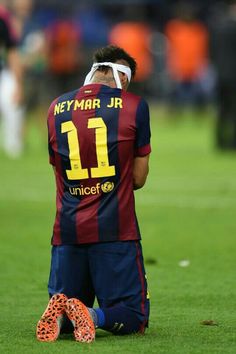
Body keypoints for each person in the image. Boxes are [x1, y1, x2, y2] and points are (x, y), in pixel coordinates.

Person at [36, 45, 151, 343]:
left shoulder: (55, 107)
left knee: (65, 302)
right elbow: (138, 179)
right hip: (115, 231)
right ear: (123, 80)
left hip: (67, 233)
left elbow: (58, 175)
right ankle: (93, 315)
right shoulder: (134, 105)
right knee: (133, 316)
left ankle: (61, 315)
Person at [209, 0, 236, 149]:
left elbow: (212, 51)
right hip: (233, 76)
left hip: (220, 74)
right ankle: (232, 142)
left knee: (221, 109)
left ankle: (220, 141)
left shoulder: (218, 26)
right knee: (233, 110)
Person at [0, 0, 24, 158]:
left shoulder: (3, 17)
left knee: (13, 104)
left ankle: (13, 148)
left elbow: (12, 51)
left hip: (3, 72)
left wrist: (18, 84)